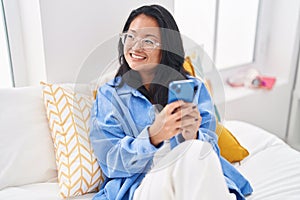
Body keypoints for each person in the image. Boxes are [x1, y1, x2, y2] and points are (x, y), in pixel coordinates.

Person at [90, 4, 253, 200]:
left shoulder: (193, 88)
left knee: (195, 150)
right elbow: (111, 163)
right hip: (144, 185)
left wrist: (192, 135)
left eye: (148, 41)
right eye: (130, 36)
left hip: (192, 173)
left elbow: (210, 152)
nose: (135, 46)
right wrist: (153, 136)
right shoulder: (110, 96)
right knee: (194, 153)